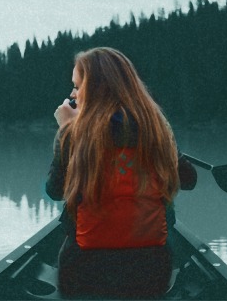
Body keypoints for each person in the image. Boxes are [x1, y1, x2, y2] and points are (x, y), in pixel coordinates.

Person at [46, 47, 197, 299]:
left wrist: (67, 130)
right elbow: (188, 180)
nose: (72, 95)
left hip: (85, 267)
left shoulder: (74, 133)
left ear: (94, 89)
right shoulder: (155, 129)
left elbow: (54, 191)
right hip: (150, 267)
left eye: (77, 86)